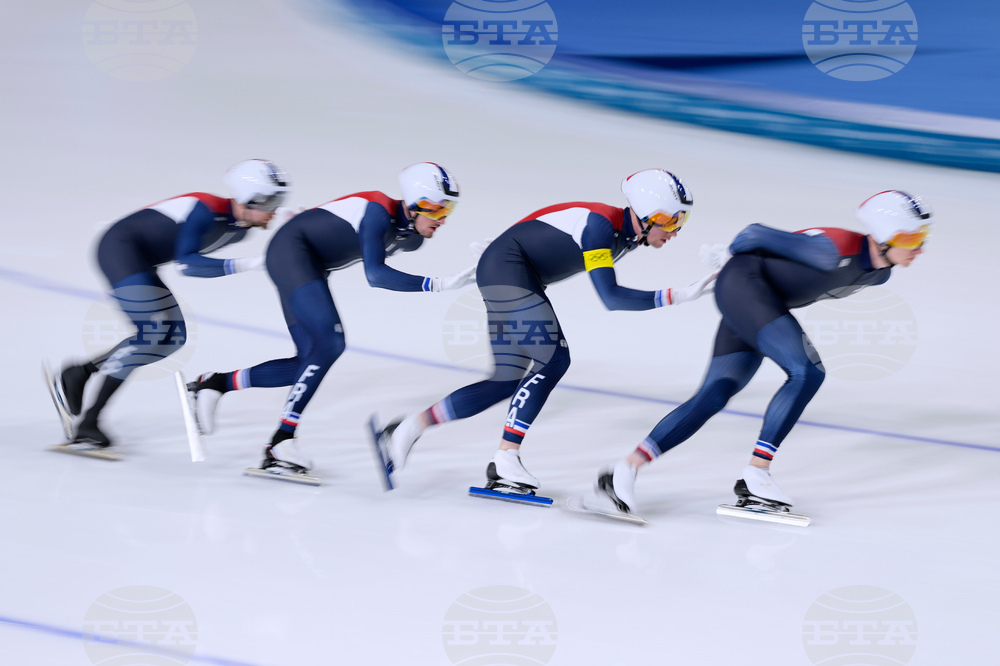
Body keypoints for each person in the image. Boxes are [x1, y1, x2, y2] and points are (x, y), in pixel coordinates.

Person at [373, 169, 718, 497]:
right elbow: (611, 297)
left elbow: (551, 217)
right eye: (672, 220)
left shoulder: (623, 235)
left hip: (510, 271)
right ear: (646, 214)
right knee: (554, 358)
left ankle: (406, 429)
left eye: (681, 222)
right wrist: (678, 295)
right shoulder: (601, 226)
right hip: (508, 270)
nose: (675, 231)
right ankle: (506, 457)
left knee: (505, 381)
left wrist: (516, 237)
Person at [594, 189, 933, 517]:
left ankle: (624, 471)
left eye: (923, 237)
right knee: (807, 370)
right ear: (886, 236)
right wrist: (730, 256)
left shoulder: (879, 275)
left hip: (758, 300)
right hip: (745, 287)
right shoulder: (833, 249)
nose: (919, 247)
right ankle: (756, 473)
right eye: (910, 239)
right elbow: (754, 233)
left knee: (714, 394)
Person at [187, 162, 477, 478]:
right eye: (438, 208)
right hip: (291, 252)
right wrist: (439, 284)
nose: (444, 218)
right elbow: (376, 274)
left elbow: (341, 226)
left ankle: (214, 383)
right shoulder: (378, 210)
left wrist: (315, 218)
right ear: (416, 202)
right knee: (330, 344)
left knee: (306, 364)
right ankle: (280, 442)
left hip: (309, 264)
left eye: (450, 208)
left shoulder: (412, 238)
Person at [49, 159, 289, 450]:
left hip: (142, 262)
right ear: (250, 198)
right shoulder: (206, 208)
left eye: (279, 201)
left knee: (172, 339)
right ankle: (90, 422)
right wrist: (251, 264)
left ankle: (82, 371)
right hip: (119, 249)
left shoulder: (241, 228)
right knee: (151, 335)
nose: (274, 210)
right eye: (271, 202)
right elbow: (187, 264)